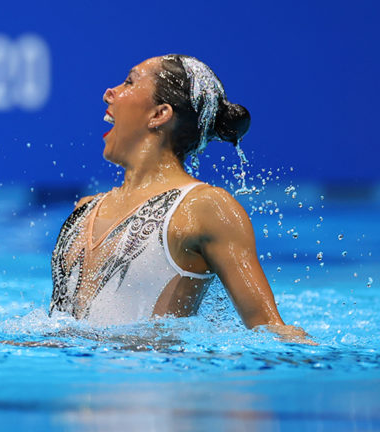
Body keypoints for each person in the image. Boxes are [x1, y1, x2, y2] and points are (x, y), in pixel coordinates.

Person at [49, 55, 310, 342]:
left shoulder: (204, 208)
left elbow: (270, 330)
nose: (109, 92)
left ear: (159, 114)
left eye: (129, 82)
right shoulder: (85, 210)